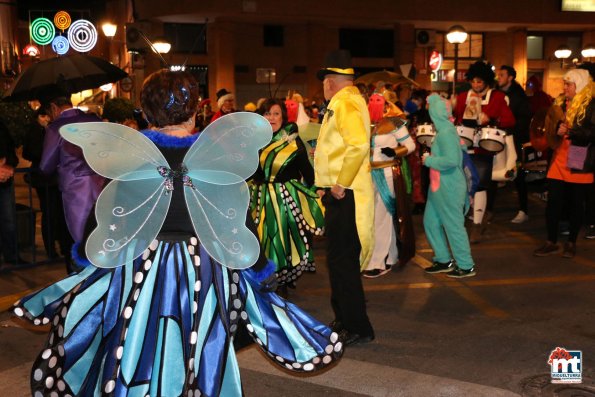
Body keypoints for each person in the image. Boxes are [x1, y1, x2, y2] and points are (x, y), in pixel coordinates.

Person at [13, 69, 343, 396]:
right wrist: (259, 269)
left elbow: (109, 215)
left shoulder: (134, 158)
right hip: (203, 267)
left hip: (139, 267)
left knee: (137, 342)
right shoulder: (215, 156)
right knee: (199, 348)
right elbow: (235, 219)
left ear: (145, 111)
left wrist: (87, 253)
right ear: (195, 108)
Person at [315, 50, 375, 345]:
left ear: (331, 81)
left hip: (345, 194)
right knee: (339, 260)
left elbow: (358, 145)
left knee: (342, 262)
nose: (323, 86)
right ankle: (345, 318)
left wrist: (339, 183)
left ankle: (356, 325)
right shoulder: (345, 101)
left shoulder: (346, 102)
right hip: (340, 193)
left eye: (325, 80)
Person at [250, 98, 324, 291]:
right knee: (261, 238)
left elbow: (305, 168)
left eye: (276, 114)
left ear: (283, 117)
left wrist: (318, 187)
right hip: (260, 197)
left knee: (282, 239)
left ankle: (281, 278)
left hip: (284, 199)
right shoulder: (255, 139)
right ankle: (265, 275)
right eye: (267, 113)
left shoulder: (291, 139)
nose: (271, 118)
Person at [39, 91, 105, 273]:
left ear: (53, 107)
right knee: (101, 235)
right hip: (101, 185)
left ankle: (81, 287)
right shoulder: (95, 121)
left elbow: (45, 166)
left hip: (75, 191)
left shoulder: (57, 127)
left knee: (77, 240)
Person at [534, 69, 595, 259]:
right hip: (559, 156)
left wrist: (570, 131)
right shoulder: (560, 102)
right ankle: (551, 242)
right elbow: (549, 126)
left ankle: (571, 243)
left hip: (579, 155)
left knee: (576, 203)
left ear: (580, 86)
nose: (564, 87)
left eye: (569, 84)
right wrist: (555, 131)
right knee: (553, 203)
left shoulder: (591, 105)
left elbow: (592, 133)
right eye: (565, 83)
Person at [453, 61, 515, 243]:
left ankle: (477, 226)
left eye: (480, 82)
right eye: (473, 81)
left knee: (479, 185)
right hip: (463, 146)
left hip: (484, 147)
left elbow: (510, 121)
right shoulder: (463, 96)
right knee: (461, 185)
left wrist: (492, 118)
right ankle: (469, 217)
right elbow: (455, 118)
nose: (476, 85)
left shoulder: (497, 97)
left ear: (487, 81)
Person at [423, 93, 476, 278]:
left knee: (453, 226)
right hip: (439, 186)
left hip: (449, 186)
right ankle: (444, 259)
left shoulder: (446, 132)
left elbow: (452, 160)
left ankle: (466, 265)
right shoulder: (444, 129)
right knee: (431, 222)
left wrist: (429, 160)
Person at [364, 94, 416, 278]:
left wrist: (394, 151)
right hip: (368, 174)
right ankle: (392, 255)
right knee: (374, 218)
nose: (374, 105)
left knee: (382, 217)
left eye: (378, 101)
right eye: (371, 101)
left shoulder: (394, 122)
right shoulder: (364, 121)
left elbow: (410, 145)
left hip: (387, 174)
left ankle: (378, 261)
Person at [22, 108, 73, 261]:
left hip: (55, 178)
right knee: (49, 213)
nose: (45, 119)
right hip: (43, 179)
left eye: (47, 115)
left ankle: (63, 247)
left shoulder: (52, 130)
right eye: (42, 116)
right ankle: (51, 249)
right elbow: (29, 152)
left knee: (58, 213)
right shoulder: (35, 131)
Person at [496, 65, 532, 223]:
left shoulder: (519, 96)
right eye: (498, 75)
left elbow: (524, 119)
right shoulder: (497, 93)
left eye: (502, 75)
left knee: (517, 174)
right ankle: (487, 210)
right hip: (499, 137)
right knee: (495, 170)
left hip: (514, 139)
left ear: (510, 77)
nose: (499, 78)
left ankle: (523, 210)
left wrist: (511, 130)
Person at [0, 119, 24, 269]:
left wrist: (7, 164)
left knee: (8, 221)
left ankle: (12, 256)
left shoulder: (2, 126)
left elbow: (12, 153)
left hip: (5, 183)